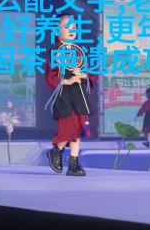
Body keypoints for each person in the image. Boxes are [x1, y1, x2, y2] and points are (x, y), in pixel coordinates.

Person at [44, 13, 97, 176]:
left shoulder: (78, 51)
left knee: (79, 128)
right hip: (65, 96)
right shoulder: (55, 52)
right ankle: (57, 150)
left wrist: (83, 75)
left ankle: (73, 162)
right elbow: (51, 75)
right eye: (68, 27)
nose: (72, 30)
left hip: (79, 95)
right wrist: (66, 80)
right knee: (69, 128)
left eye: (74, 27)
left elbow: (89, 73)